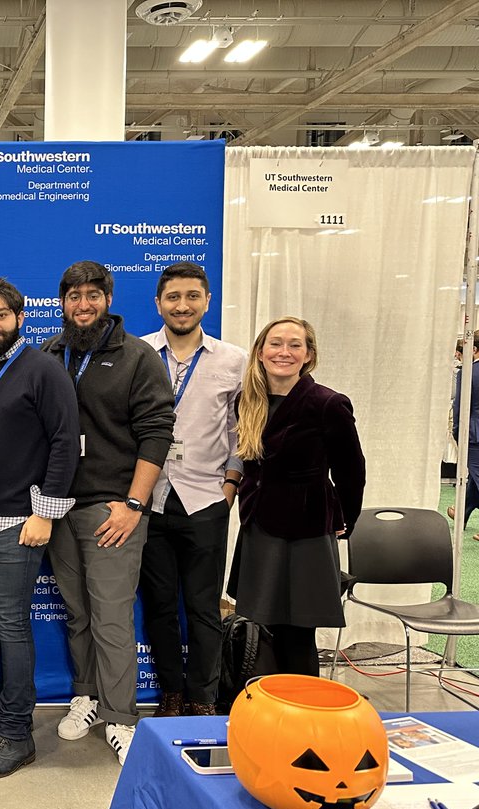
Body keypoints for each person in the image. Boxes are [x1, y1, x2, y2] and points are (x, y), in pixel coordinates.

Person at [42, 260, 174, 766]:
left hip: (111, 509)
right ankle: (87, 697)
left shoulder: (137, 356)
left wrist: (135, 505)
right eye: (73, 296)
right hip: (57, 507)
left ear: (109, 299)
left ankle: (122, 716)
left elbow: (158, 432)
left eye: (93, 295)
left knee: (112, 617)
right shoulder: (50, 353)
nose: (83, 304)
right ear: (62, 302)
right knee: (77, 613)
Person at [0, 277, 80, 780]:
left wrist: (45, 514)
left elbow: (65, 443)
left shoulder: (43, 370)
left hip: (20, 525)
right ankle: (6, 707)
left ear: (19, 318)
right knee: (2, 622)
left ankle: (17, 733)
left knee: (11, 624)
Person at [228, 316, 366, 677]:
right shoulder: (248, 401)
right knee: (262, 627)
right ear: (260, 351)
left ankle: (303, 714)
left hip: (305, 533)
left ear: (309, 355)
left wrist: (345, 521)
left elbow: (352, 471)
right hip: (259, 527)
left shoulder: (328, 404)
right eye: (275, 343)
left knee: (299, 632)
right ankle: (270, 710)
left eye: (294, 345)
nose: (283, 352)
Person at [138, 262, 246, 717]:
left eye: (192, 296)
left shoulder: (234, 360)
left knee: (203, 607)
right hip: (149, 500)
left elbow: (243, 430)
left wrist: (231, 484)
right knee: (160, 607)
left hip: (206, 498)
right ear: (158, 303)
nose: (182, 305)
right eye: (173, 297)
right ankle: (171, 694)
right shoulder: (138, 354)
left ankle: (202, 697)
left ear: (206, 301)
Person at [450, 335, 479, 538]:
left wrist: (457, 432)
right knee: (475, 478)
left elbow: (461, 406)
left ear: (474, 349)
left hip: (474, 433)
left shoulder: (468, 373)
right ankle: (462, 513)